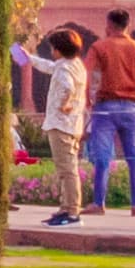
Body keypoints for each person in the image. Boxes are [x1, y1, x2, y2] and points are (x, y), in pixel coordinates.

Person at [84, 13, 135, 218]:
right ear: (128, 26)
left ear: (109, 25)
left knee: (102, 156)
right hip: (131, 107)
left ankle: (98, 203)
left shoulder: (100, 47)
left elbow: (86, 73)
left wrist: (87, 99)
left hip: (105, 106)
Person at [34, 23, 92, 223]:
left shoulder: (65, 69)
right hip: (72, 125)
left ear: (57, 49)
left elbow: (66, 86)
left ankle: (72, 213)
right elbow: (50, 67)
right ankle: (65, 208)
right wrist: (29, 59)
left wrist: (63, 104)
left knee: (67, 170)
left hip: (61, 124)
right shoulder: (75, 65)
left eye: (52, 48)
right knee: (66, 168)